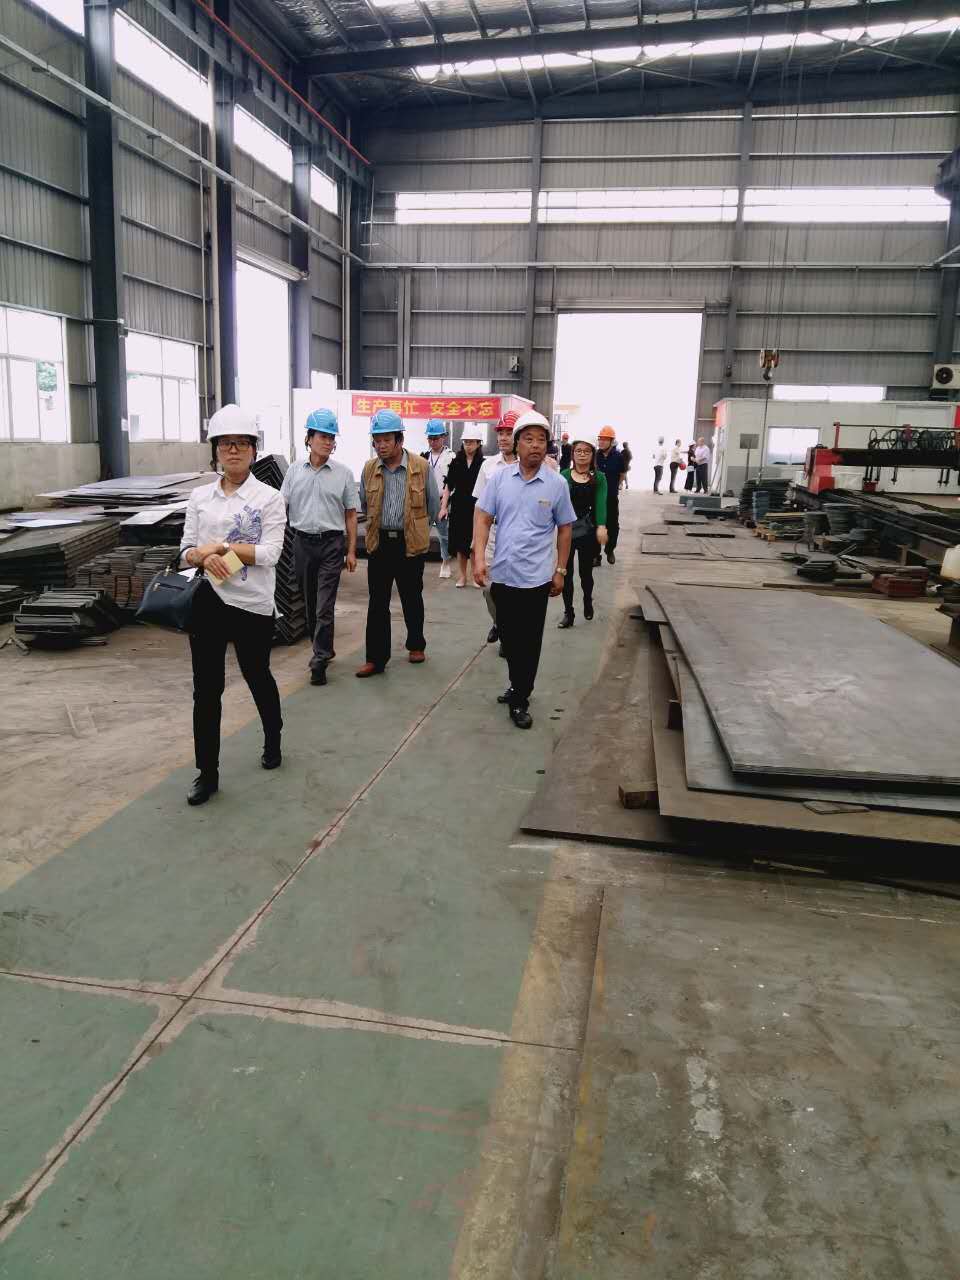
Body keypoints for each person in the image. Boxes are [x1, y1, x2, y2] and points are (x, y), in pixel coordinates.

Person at [179, 404, 287, 806]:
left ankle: (273, 737)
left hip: (251, 605)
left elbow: (271, 553)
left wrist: (220, 548)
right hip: (208, 602)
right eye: (226, 444)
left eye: (242, 443)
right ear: (216, 451)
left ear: (254, 450)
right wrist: (201, 557)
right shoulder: (199, 497)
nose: (234, 450)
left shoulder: (269, 498)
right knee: (206, 691)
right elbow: (186, 550)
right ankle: (206, 774)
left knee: (257, 675)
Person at [474, 410, 575, 730]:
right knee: (510, 638)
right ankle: (518, 684)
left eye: (541, 439)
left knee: (529, 642)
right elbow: (482, 517)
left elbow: (565, 528)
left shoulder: (557, 484)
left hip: (535, 579)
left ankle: (520, 697)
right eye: (528, 439)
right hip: (503, 573)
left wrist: (560, 570)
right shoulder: (500, 479)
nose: (535, 445)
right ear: (516, 444)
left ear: (547, 445)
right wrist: (479, 558)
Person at [356, 408, 440, 678]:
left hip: (409, 543)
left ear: (399, 440)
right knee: (377, 603)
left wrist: (417, 529)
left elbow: (433, 504)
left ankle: (416, 645)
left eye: (386, 440)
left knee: (411, 596)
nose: (381, 445)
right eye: (377, 440)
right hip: (380, 542)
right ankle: (375, 658)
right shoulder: (369, 468)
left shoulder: (421, 467)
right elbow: (364, 502)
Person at [280, 408, 358, 687]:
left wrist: (351, 550)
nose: (327, 442)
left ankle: (319, 660)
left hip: (331, 545)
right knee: (310, 603)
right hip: (302, 543)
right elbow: (280, 507)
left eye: (331, 437)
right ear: (309, 438)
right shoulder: (293, 472)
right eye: (322, 436)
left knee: (325, 605)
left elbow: (351, 514)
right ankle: (323, 646)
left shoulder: (343, 474)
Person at [473, 409, 519, 649]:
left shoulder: (531, 467)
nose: (503, 438)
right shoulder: (488, 466)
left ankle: (509, 634)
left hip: (520, 536)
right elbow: (479, 507)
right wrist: (476, 542)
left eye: (508, 433)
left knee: (514, 589)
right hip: (492, 534)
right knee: (490, 588)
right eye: (500, 433)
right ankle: (499, 622)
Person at [558, 434, 608, 629]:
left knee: (586, 573)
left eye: (586, 451)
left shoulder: (599, 478)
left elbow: (601, 502)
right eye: (578, 451)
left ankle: (587, 599)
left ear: (592, 454)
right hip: (566, 531)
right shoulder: (564, 475)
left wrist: (602, 526)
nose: (582, 454)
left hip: (588, 531)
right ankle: (568, 612)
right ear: (572, 454)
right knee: (566, 573)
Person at [439, 423, 485, 588]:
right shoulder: (456, 462)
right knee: (460, 544)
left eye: (471, 442)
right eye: (466, 442)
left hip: (476, 507)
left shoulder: (483, 464)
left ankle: (474, 576)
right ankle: (462, 576)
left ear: (478, 443)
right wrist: (444, 507)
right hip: (458, 506)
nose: (468, 445)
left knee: (474, 542)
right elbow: (448, 486)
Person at [422, 419, 455, 578]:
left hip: (443, 500)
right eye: (430, 438)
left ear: (443, 437)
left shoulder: (451, 457)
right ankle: (418, 560)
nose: (433, 442)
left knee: (443, 535)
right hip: (426, 500)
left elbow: (452, 482)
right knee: (422, 532)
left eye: (436, 438)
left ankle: (445, 562)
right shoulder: (424, 456)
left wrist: (444, 505)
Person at [594, 426, 625, 566]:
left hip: (611, 496)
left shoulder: (618, 457)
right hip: (596, 497)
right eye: (600, 439)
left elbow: (622, 473)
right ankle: (596, 555)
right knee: (595, 525)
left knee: (613, 525)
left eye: (605, 439)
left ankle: (610, 549)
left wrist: (616, 486)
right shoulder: (595, 455)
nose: (601, 442)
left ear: (611, 441)